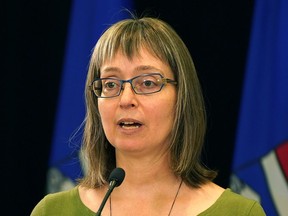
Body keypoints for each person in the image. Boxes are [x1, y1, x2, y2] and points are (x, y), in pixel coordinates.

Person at [31, 14, 266, 216]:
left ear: (182, 97)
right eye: (111, 84)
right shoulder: (53, 211)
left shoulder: (238, 212)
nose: (126, 99)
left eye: (147, 82)